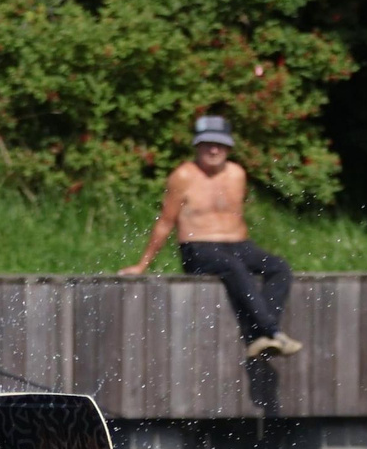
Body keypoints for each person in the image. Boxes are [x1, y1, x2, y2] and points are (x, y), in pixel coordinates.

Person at [119, 115, 302, 360]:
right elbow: (165, 221)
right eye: (207, 144)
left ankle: (263, 336)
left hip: (238, 244)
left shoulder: (237, 173)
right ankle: (272, 332)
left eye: (220, 144)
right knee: (234, 267)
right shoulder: (183, 176)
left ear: (228, 147)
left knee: (279, 267)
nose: (214, 149)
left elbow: (232, 216)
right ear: (197, 146)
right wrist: (143, 264)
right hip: (198, 248)